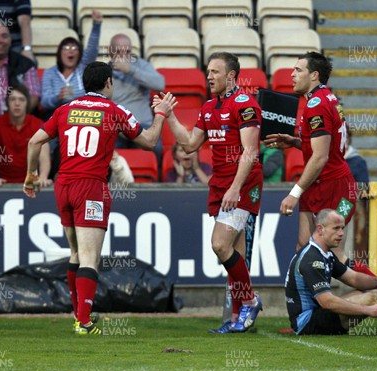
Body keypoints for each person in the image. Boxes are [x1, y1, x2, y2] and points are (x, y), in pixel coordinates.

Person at [23, 61, 177, 335]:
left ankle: (79, 313)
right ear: (108, 83)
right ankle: (83, 322)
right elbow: (150, 141)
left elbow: (34, 141)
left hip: (64, 185)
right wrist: (161, 114)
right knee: (90, 258)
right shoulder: (114, 110)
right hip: (91, 187)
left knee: (76, 253)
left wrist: (31, 175)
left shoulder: (65, 109)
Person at [264, 52, 377, 331]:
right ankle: (303, 317)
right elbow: (323, 148)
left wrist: (294, 192)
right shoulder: (318, 100)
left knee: (338, 256)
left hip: (337, 187)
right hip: (320, 183)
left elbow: (321, 158)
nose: (291, 75)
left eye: (298, 70)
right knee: (303, 247)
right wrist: (296, 141)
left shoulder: (318, 104)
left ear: (314, 75)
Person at [154, 52, 263, 334]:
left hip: (242, 184)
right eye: (207, 71)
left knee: (219, 245)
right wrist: (169, 116)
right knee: (233, 254)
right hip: (220, 184)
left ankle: (250, 301)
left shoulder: (245, 104)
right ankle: (238, 317)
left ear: (231, 76)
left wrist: (236, 188)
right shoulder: (208, 107)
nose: (209, 76)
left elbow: (250, 152)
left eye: (215, 71)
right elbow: (189, 144)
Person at [0, 83, 51, 187]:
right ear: (7, 103)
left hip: (30, 183)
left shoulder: (38, 124)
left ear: (27, 103)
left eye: (21, 99)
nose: (17, 103)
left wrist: (43, 177)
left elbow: (44, 158)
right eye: (12, 99)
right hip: (1, 184)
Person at [40, 10, 102, 119]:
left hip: (81, 116)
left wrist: (96, 26)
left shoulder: (83, 68)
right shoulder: (49, 73)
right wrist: (58, 98)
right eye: (66, 48)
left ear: (79, 54)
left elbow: (92, 49)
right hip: (56, 118)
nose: (71, 51)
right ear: (60, 53)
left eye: (75, 48)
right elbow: (45, 102)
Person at [109, 33, 164, 149]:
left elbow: (160, 84)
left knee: (156, 148)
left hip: (141, 124)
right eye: (119, 52)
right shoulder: (105, 71)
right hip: (116, 127)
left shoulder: (141, 65)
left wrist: (131, 70)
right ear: (110, 52)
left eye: (127, 52)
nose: (124, 56)